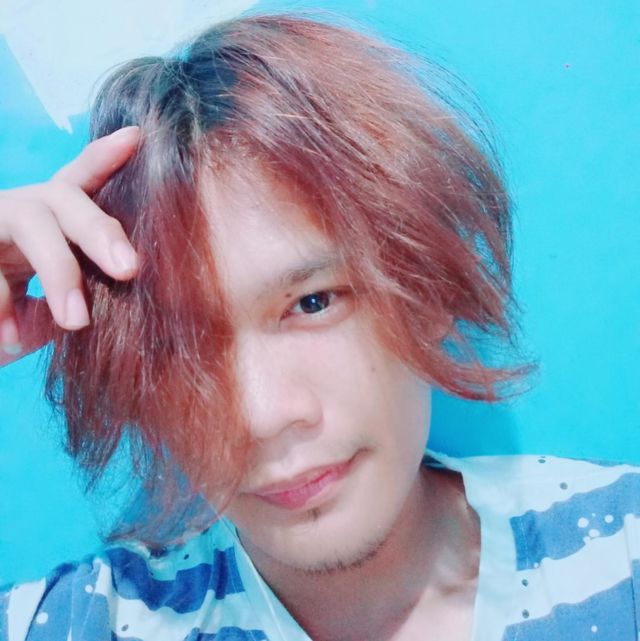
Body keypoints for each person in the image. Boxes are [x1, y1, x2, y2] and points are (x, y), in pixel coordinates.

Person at [1, 13, 639, 641]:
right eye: (179, 346)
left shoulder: (621, 553)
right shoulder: (89, 622)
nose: (260, 418)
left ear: (429, 288)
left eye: (312, 303)